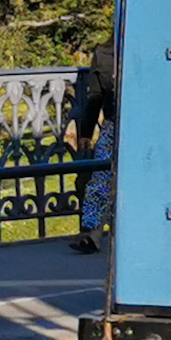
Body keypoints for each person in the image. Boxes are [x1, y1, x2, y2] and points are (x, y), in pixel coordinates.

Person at [68, 37, 119, 254]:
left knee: (103, 179)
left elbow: (95, 96)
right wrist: (87, 132)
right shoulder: (104, 53)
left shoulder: (105, 53)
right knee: (99, 178)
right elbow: (95, 95)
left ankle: (93, 233)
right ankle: (91, 233)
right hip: (114, 124)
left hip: (135, 126)